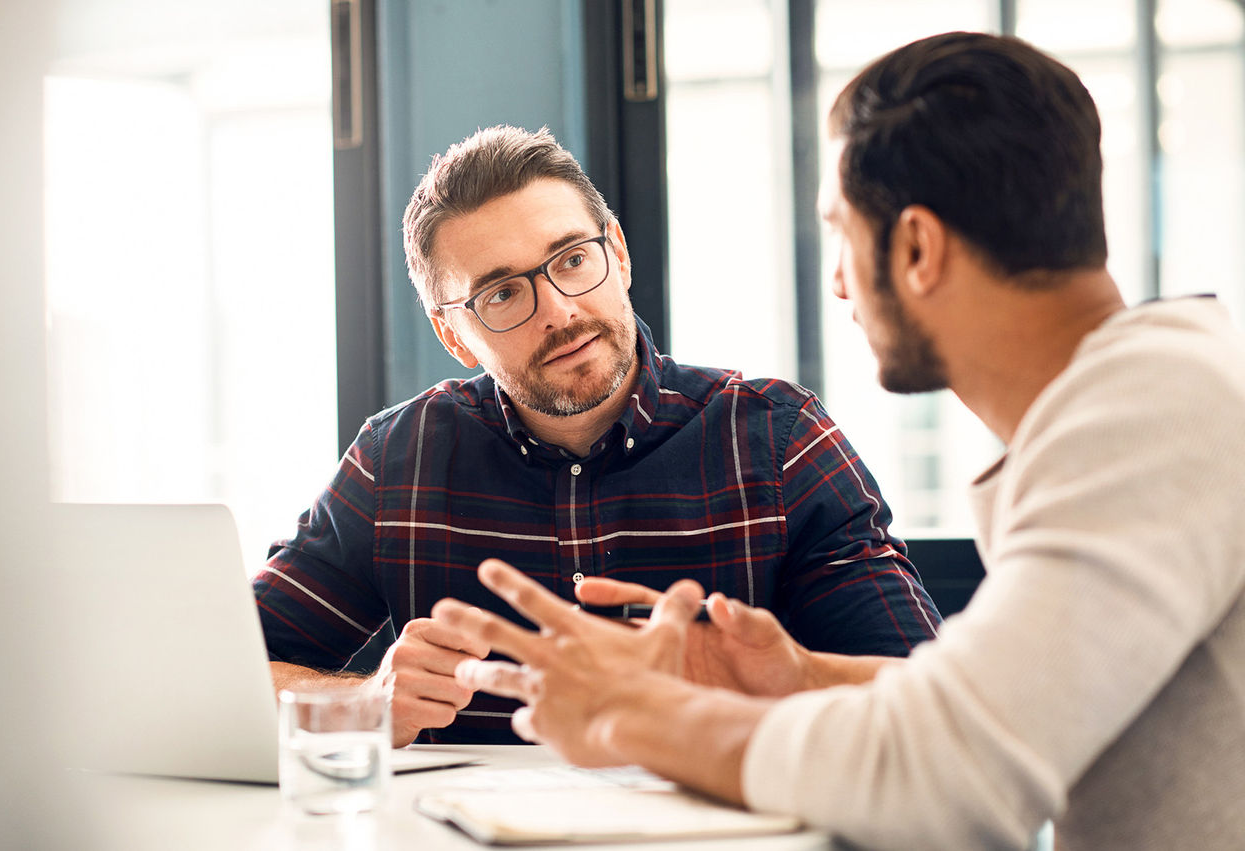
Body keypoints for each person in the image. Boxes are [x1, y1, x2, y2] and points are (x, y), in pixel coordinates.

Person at [432, 32, 1245, 851]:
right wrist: (803, 676)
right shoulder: (1150, 397)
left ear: (918, 249)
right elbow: (1004, 703)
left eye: (841, 232)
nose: (837, 281)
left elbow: (946, 775)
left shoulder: (1153, 413)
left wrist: (640, 717)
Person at [253, 125, 941, 746]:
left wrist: (772, 680)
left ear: (618, 252)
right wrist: (363, 703)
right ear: (451, 334)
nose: (559, 309)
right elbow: (225, 677)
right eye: (501, 294)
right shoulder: (394, 462)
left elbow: (927, 704)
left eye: (573, 259)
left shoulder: (780, 440)